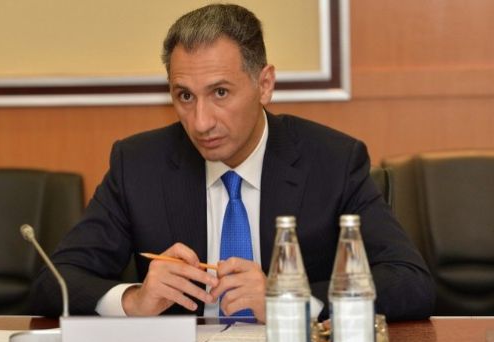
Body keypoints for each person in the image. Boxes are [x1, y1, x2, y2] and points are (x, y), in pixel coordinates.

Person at [31, 3, 435, 322]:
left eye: (220, 93)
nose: (201, 122)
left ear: (264, 85)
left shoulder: (332, 160)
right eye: (184, 96)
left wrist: (288, 300)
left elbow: (409, 282)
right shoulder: (139, 164)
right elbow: (54, 281)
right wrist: (134, 300)